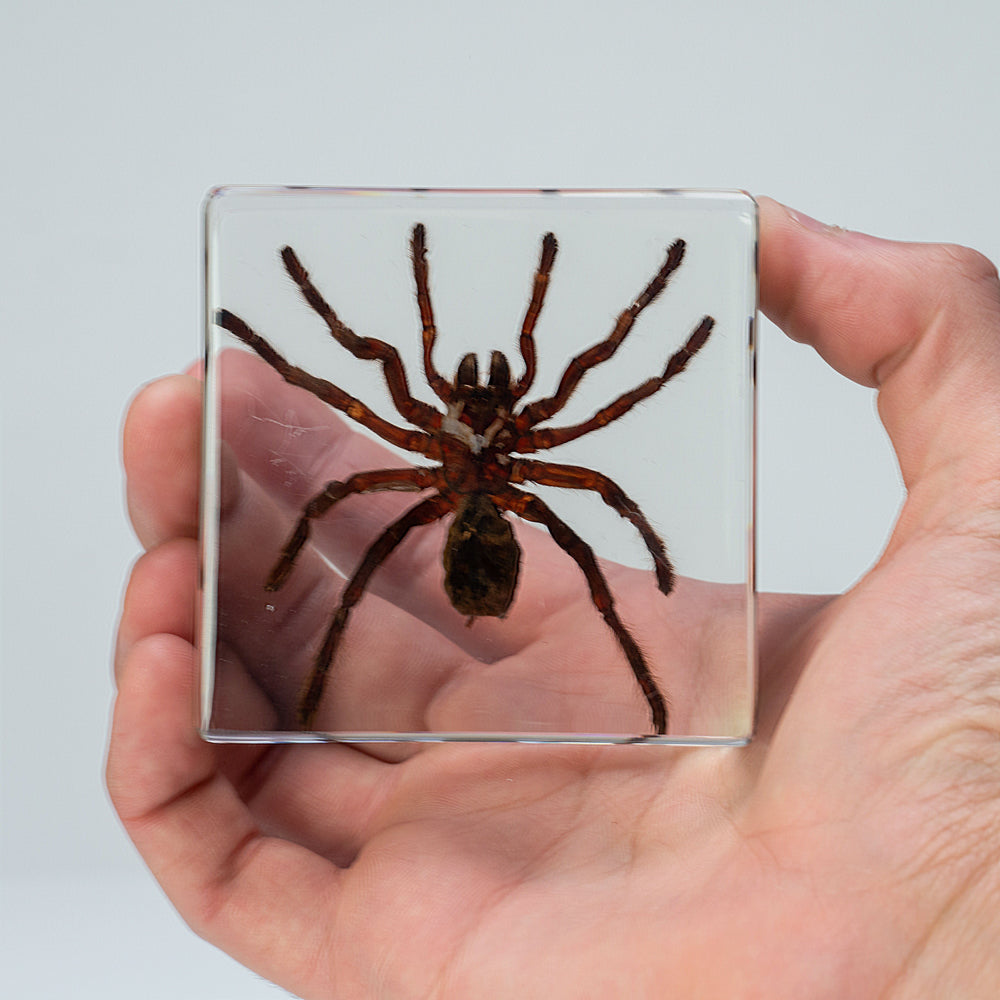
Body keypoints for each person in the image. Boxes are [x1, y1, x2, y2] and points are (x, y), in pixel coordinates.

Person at [107, 197, 1000, 998]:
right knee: (386, 483)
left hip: (475, 527)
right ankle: (647, 694)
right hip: (489, 528)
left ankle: (648, 694)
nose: (485, 384)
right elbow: (424, 381)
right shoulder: (514, 432)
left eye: (477, 389)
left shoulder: (448, 432)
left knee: (406, 492)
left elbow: (589, 415)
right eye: (480, 391)